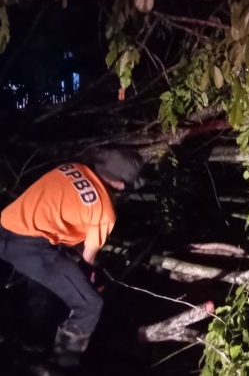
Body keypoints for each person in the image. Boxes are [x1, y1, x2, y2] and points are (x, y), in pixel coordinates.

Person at [0, 150, 144, 371]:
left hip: (6, 224)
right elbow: (87, 261)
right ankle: (61, 366)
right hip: (29, 246)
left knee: (45, 280)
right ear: (122, 185)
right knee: (90, 304)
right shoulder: (105, 212)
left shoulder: (70, 167)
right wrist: (87, 276)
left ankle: (26, 338)